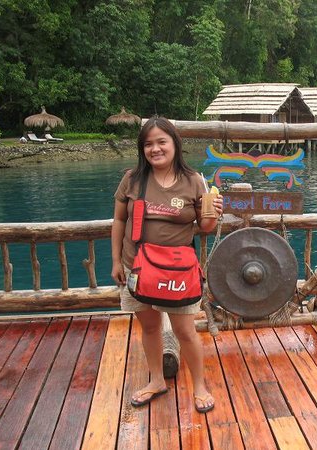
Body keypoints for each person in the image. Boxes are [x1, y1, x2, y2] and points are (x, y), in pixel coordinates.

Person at [111, 117, 222, 413]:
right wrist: (116, 261)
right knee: (149, 327)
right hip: (136, 267)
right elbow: (119, 220)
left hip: (177, 271)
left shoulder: (194, 180)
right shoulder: (133, 179)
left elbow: (205, 226)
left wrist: (214, 213)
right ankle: (157, 380)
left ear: (175, 144)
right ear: (142, 148)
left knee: (185, 330)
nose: (155, 149)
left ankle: (199, 386)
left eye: (162, 142)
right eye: (148, 144)